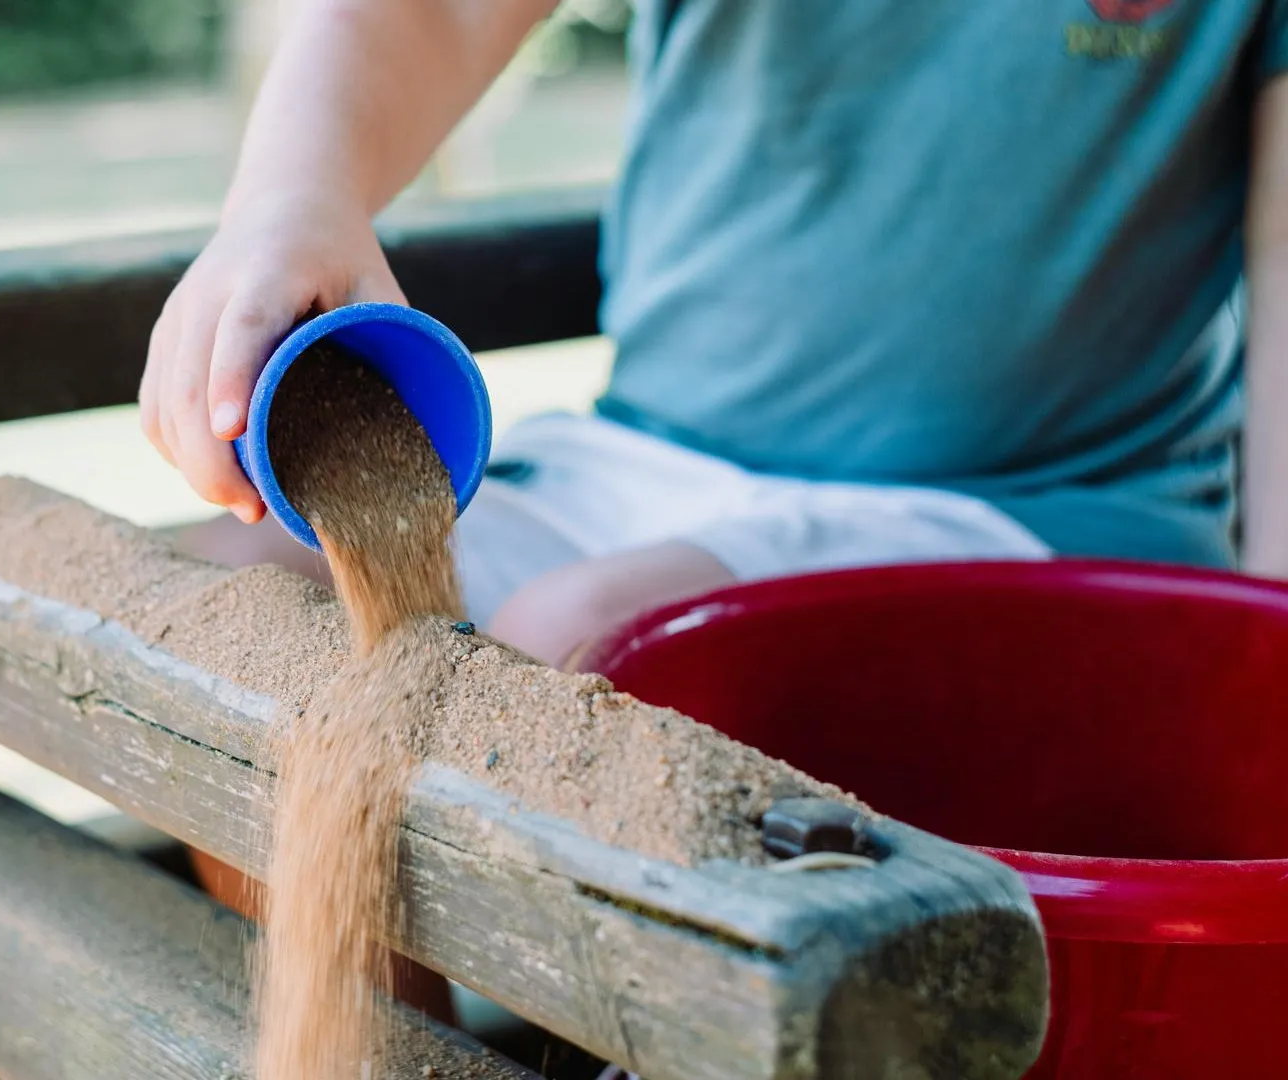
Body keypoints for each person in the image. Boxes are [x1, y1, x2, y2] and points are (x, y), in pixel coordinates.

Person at [142, 0, 1288, 677]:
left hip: (1037, 505)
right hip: (646, 460)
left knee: (591, 641)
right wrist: (296, 194)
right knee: (239, 603)